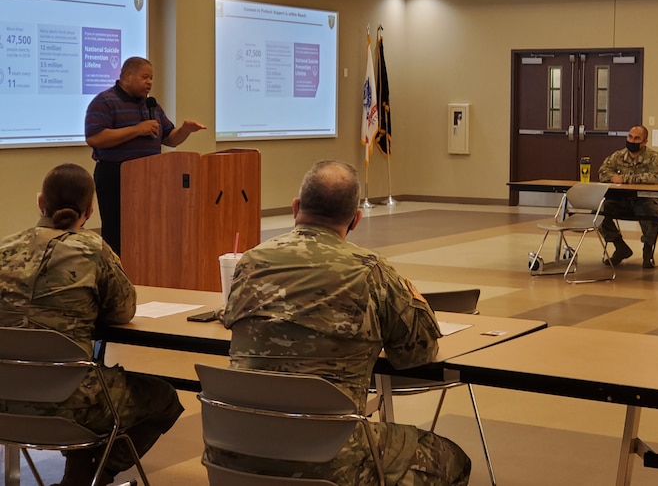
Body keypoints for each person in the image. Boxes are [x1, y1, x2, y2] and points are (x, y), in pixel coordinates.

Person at [216, 160, 471, 486]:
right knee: (452, 459)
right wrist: (416, 301)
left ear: (295, 208)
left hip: (237, 445)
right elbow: (417, 354)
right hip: (332, 461)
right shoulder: (371, 270)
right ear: (356, 220)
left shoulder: (249, 262)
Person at [0, 163, 183, 486]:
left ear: (40, 201)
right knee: (162, 397)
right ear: (91, 209)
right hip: (71, 405)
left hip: (4, 399)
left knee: (84, 375)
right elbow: (122, 312)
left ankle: (78, 475)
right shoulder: (94, 250)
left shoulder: (4, 249)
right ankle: (96, 477)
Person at [85, 56, 206, 255]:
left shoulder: (151, 105)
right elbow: (95, 137)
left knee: (150, 229)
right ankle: (117, 271)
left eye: (151, 78)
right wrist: (137, 129)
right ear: (127, 76)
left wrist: (185, 130)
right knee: (118, 231)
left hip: (152, 176)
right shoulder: (104, 102)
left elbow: (170, 139)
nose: (149, 82)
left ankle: (146, 269)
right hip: (116, 176)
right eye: (145, 77)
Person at [598, 125, 658, 269]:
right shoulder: (617, 156)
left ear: (645, 142)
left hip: (645, 200)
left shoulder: (655, 158)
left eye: (637, 138)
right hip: (621, 200)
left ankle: (648, 251)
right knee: (598, 212)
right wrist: (612, 178)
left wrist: (624, 178)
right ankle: (620, 247)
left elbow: (655, 178)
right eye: (630, 137)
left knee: (653, 213)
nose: (632, 140)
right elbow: (603, 172)